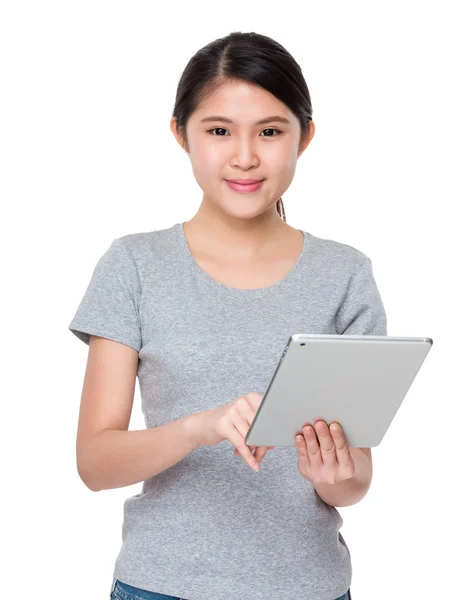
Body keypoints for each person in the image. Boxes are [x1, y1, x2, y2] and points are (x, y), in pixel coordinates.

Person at [69, 31, 387, 600]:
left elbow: (355, 478)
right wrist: (198, 427)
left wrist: (333, 477)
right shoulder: (134, 266)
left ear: (304, 137)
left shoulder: (345, 275)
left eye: (270, 131)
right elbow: (95, 462)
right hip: (161, 586)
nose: (244, 156)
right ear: (181, 134)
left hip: (310, 587)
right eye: (218, 131)